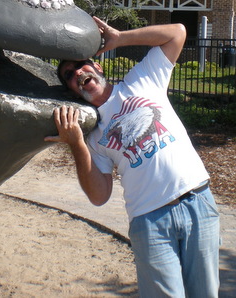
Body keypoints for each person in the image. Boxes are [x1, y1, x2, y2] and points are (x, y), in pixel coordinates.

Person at [46, 17, 220, 297]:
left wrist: (120, 38)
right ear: (71, 90)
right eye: (69, 75)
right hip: (149, 220)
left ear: (97, 66)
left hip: (197, 201)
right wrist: (76, 143)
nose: (77, 72)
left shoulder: (142, 79)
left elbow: (177, 33)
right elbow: (99, 196)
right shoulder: (92, 134)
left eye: (81, 64)